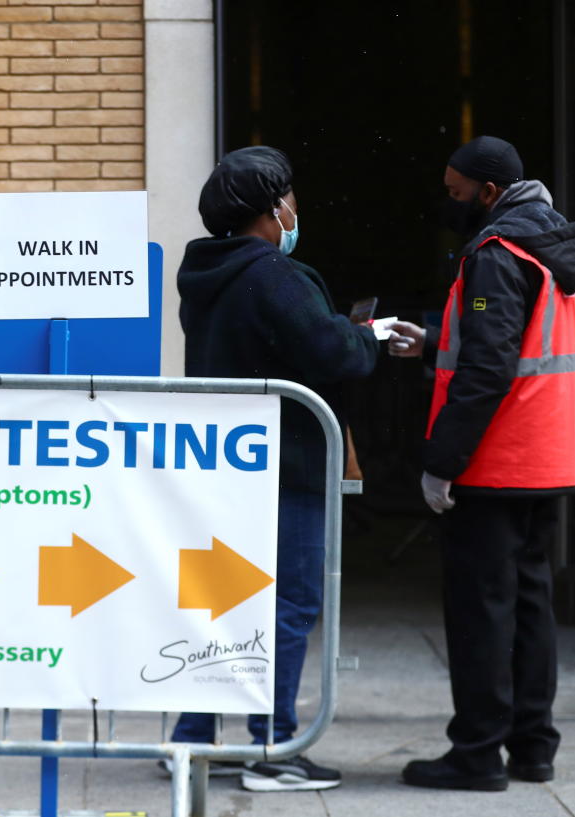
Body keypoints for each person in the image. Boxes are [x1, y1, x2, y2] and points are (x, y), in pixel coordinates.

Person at [170, 146, 378, 792]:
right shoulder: (272, 274)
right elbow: (331, 351)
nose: (296, 208)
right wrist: (368, 337)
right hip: (285, 465)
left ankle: (192, 738)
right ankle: (273, 743)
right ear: (271, 208)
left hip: (227, 464)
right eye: (288, 197)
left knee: (222, 599)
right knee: (289, 600)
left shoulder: (206, 272)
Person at [389, 135, 575, 791]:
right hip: (545, 457)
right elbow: (498, 333)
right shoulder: (547, 243)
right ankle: (533, 747)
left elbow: (488, 361)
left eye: (456, 193)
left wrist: (441, 462)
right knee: (530, 606)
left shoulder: (494, 254)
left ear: (490, 192)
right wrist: (434, 340)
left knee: (482, 612)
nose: (450, 205)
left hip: (495, 462)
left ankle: (476, 752)